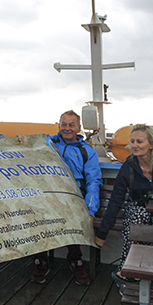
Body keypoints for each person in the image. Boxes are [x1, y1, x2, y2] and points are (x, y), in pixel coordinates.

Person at [94, 124, 153, 285]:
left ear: (151, 144)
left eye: (139, 141)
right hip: (139, 210)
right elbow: (116, 200)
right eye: (132, 141)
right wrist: (102, 233)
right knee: (139, 222)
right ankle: (131, 270)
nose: (135, 145)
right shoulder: (129, 167)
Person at [30, 110, 102, 286]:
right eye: (64, 124)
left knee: (74, 218)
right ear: (58, 125)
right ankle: (41, 260)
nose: (67, 128)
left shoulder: (87, 152)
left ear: (78, 128)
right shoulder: (47, 144)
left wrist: (90, 209)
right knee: (38, 217)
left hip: (74, 197)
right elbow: (25, 151)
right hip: (49, 195)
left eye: (71, 125)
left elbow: (93, 182)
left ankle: (75, 260)